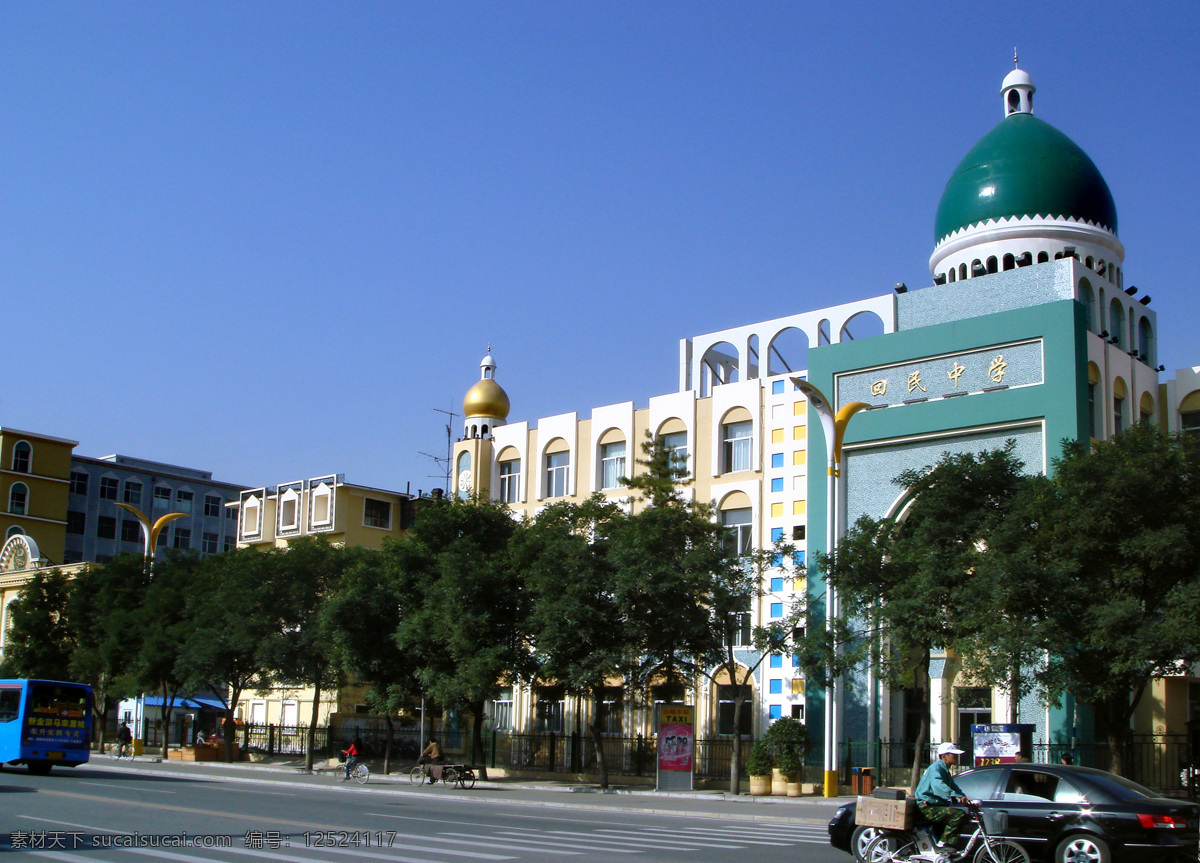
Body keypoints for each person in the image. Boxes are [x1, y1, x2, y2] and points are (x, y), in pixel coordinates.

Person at [915, 742, 969, 848]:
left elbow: (954, 786)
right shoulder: (936, 768)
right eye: (954, 754)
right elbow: (938, 786)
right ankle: (944, 844)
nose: (957, 757)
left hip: (935, 806)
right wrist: (956, 796)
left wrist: (963, 796)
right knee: (958, 815)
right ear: (944, 756)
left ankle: (943, 846)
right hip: (927, 807)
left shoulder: (944, 770)